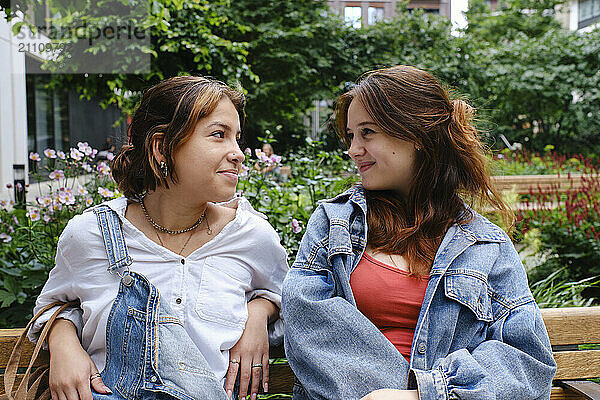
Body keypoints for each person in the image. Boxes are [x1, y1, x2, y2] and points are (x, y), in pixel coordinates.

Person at [281, 66, 556, 400]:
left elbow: (527, 359)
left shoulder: (487, 246)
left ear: (416, 135)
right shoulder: (333, 223)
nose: (353, 149)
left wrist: (424, 396)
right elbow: (308, 323)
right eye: (351, 136)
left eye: (367, 133)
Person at [28, 76, 288, 400]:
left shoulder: (251, 236)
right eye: (219, 135)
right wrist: (63, 341)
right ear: (161, 147)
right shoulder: (91, 235)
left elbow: (280, 295)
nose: (238, 153)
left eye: (237, 138)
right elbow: (53, 304)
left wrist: (259, 313)